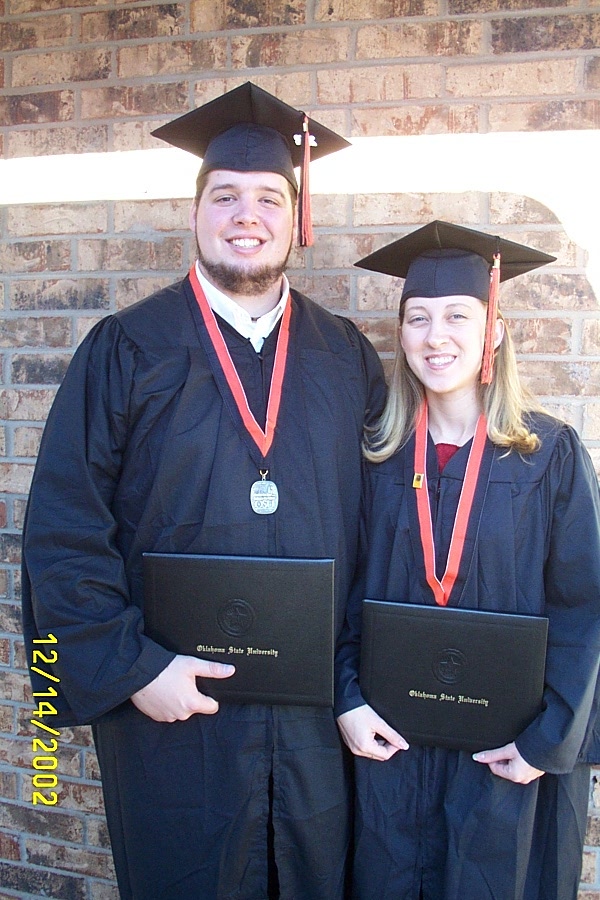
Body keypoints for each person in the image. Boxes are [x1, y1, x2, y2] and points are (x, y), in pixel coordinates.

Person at [21, 82, 386, 900]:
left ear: (296, 218)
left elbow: (384, 532)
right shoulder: (126, 348)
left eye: (267, 197)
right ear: (195, 215)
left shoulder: (344, 358)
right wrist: (132, 670)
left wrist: (362, 681)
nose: (245, 215)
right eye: (224, 196)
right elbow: (62, 530)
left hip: (312, 717)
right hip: (171, 712)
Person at [335, 220, 600, 900]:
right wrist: (346, 699)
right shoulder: (376, 457)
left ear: (496, 331)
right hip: (394, 753)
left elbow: (586, 608)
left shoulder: (551, 456)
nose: (435, 335)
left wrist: (547, 742)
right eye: (417, 318)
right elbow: (340, 594)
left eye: (458, 315)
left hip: (507, 760)